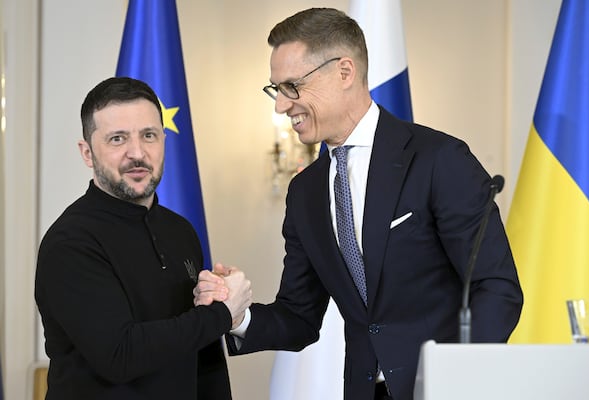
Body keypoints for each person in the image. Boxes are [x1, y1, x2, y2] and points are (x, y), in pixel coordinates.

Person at [197, 7, 523, 400]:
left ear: (345, 72)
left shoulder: (438, 159)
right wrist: (238, 314)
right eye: (276, 89)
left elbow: (496, 287)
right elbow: (299, 317)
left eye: (292, 87)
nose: (281, 106)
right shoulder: (305, 192)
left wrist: (459, 379)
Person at [35, 76, 251, 400]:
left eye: (149, 135)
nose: (137, 153)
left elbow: (203, 357)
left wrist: (215, 301)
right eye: (117, 139)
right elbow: (120, 355)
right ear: (87, 153)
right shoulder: (70, 242)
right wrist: (220, 314)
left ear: (163, 140)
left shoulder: (181, 231)